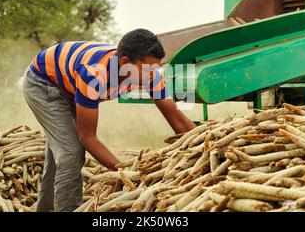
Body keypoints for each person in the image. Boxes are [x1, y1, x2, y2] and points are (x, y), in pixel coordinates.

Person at [22, 29, 196, 212]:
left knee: (60, 153)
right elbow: (87, 137)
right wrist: (125, 172)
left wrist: (199, 147)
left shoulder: (149, 74)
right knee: (71, 152)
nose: (153, 75)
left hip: (70, 85)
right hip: (43, 83)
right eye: (148, 70)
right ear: (125, 63)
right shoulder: (94, 74)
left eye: (157, 68)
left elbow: (178, 119)